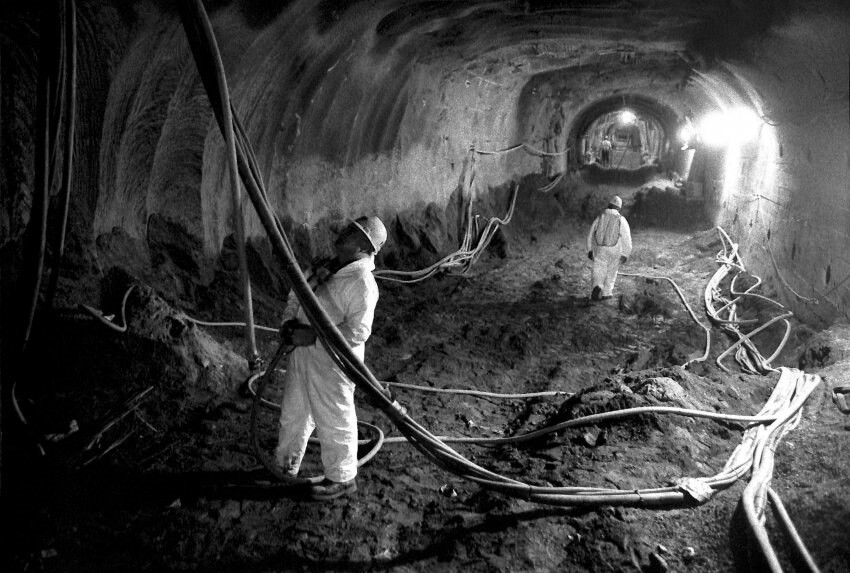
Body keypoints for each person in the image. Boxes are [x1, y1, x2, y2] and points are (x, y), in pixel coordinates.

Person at [275, 215, 387, 501]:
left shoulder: (362, 282)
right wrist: (289, 323)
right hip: (302, 353)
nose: (343, 233)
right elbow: (296, 296)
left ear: (364, 245)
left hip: (334, 363)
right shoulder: (324, 267)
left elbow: (357, 332)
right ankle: (285, 466)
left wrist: (311, 335)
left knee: (333, 416)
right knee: (294, 413)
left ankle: (342, 478)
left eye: (351, 232)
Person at [586, 195, 631, 301]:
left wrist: (589, 250)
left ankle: (597, 286)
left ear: (609, 205)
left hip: (600, 249)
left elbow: (590, 234)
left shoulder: (600, 217)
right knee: (612, 271)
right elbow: (627, 239)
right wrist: (626, 253)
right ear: (619, 208)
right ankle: (607, 293)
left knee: (599, 268)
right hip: (615, 250)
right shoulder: (621, 219)